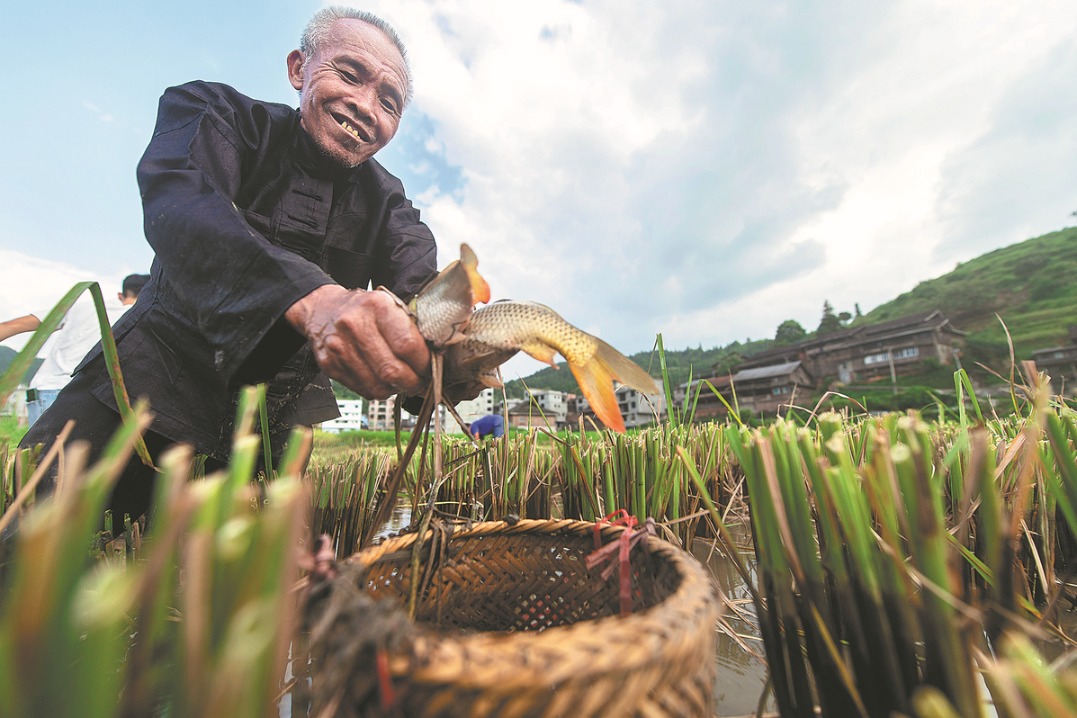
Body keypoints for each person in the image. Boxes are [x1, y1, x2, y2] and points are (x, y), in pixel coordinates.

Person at [19, 7, 451, 530]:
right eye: (349, 74)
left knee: (229, 576)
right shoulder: (214, 113)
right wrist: (314, 298)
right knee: (31, 544)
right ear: (299, 69)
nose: (365, 106)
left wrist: (451, 350)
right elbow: (181, 204)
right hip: (139, 395)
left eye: (389, 102)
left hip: (270, 436)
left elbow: (419, 286)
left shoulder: (387, 201)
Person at [0, 274, 149, 425]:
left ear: (120, 295)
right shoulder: (143, 317)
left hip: (45, 389)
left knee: (39, 441)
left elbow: (10, 326)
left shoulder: (84, 306)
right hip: (84, 395)